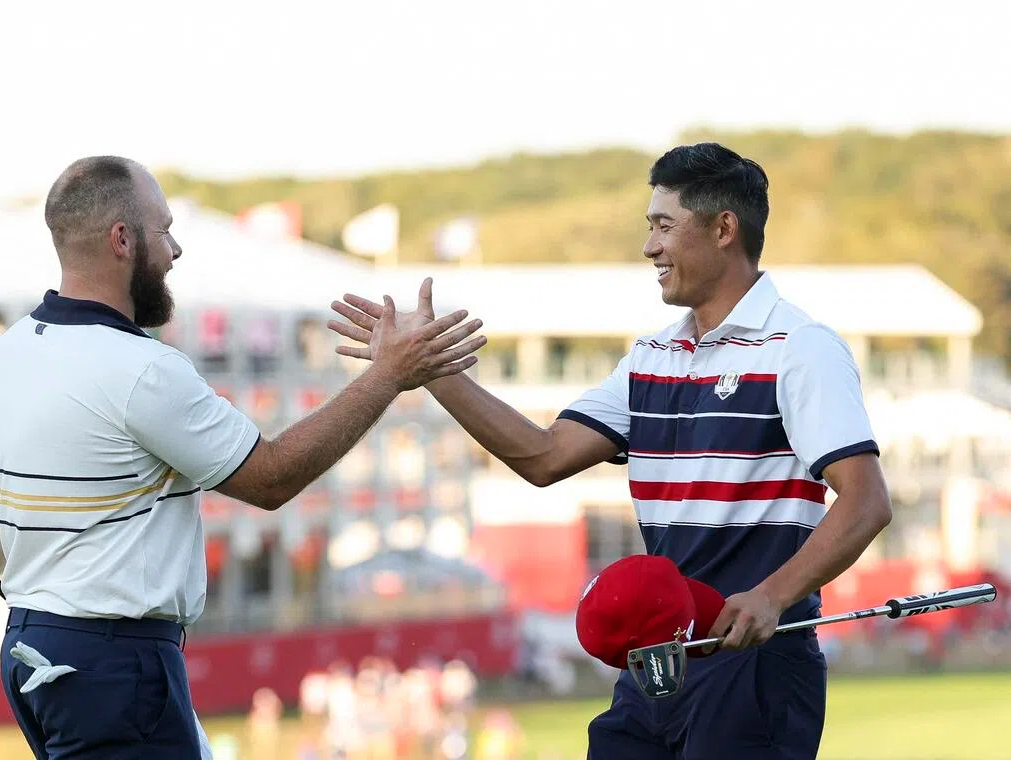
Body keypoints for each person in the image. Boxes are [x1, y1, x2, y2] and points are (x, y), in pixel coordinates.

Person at [326, 142, 894, 759]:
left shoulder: (800, 348)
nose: (650, 246)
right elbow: (543, 458)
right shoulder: (650, 357)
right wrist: (431, 370)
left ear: (724, 228)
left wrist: (773, 595)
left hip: (754, 660)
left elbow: (866, 502)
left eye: (664, 226)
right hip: (658, 661)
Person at [0, 155, 486, 759]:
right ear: (122, 240)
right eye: (163, 230)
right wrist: (389, 375)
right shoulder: (142, 369)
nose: (175, 250)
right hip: (115, 659)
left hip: (39, 641)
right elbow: (269, 479)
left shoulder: (7, 353)